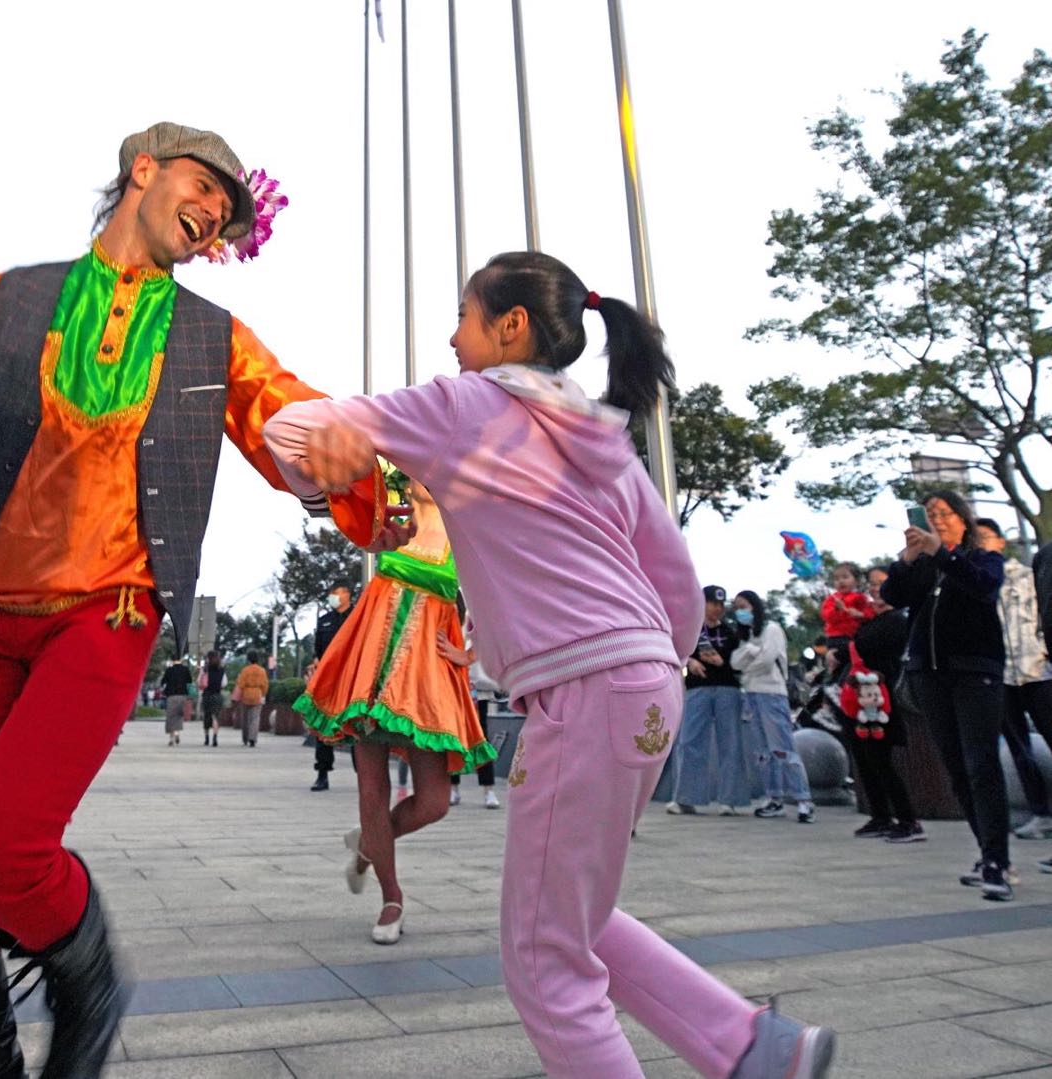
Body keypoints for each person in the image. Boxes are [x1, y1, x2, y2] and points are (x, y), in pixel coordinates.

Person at [0, 121, 407, 1078]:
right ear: (144, 168)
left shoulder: (216, 338)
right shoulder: (7, 298)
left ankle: (90, 982)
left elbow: (288, 415)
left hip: (107, 611)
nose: (214, 216)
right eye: (206, 188)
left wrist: (337, 460)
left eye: (228, 214)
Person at [264, 251, 835, 1078]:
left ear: (510, 325)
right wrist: (648, 690)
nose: (451, 336)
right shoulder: (597, 434)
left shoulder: (464, 402)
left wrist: (326, 485)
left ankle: (752, 1047)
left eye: (463, 315)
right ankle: (752, 1045)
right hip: (642, 684)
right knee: (572, 912)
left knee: (541, 959)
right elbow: (674, 582)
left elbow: (289, 428)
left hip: (585, 691)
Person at [294, 476, 496, 943]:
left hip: (427, 676)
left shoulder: (467, 531)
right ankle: (391, 898)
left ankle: (368, 846)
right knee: (372, 788)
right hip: (372, 661)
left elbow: (503, 593)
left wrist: (473, 651)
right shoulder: (389, 520)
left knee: (434, 802)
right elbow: (336, 489)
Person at [881, 490, 1011, 900]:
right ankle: (986, 851)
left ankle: (996, 860)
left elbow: (984, 586)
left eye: (943, 513)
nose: (936, 520)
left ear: (962, 519)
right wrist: (906, 559)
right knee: (956, 769)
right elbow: (891, 597)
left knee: (981, 765)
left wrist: (944, 555)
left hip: (975, 671)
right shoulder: (922, 565)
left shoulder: (982, 558)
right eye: (929, 514)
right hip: (928, 674)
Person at [974, 519, 1052, 839]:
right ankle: (1041, 812)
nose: (978, 544)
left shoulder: (1027, 574)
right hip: (1000, 675)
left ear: (1000, 543)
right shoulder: (974, 584)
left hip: (1038, 670)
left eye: (984, 538)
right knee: (1020, 748)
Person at [847, 567, 923, 843]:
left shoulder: (897, 620)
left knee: (881, 760)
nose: (875, 590)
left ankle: (907, 819)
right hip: (862, 700)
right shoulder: (869, 621)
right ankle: (881, 815)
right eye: (872, 585)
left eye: (882, 584)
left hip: (883, 700)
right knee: (867, 759)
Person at [730, 591, 815, 823]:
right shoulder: (745, 635)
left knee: (782, 748)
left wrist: (749, 663)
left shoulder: (771, 629)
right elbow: (735, 661)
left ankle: (803, 799)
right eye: (737, 607)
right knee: (762, 753)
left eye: (744, 606)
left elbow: (767, 659)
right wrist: (750, 654)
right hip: (751, 695)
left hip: (772, 694)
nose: (740, 611)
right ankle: (773, 798)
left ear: (755, 606)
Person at [668, 585, 748, 815]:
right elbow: (678, 653)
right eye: (713, 603)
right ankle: (685, 798)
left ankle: (730, 799)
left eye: (721, 605)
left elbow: (738, 662)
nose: (717, 609)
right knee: (690, 741)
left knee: (730, 743)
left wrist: (721, 662)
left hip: (727, 689)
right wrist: (691, 662)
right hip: (697, 688)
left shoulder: (732, 633)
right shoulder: (689, 630)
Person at [438, 630, 501, 810]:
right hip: (454, 685)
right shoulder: (452, 614)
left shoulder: (474, 613)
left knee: (481, 735)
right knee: (452, 735)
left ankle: (488, 789)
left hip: (476, 688)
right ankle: (453, 787)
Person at [310, 583, 355, 790]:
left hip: (353, 680)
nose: (333, 597)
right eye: (331, 594)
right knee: (324, 726)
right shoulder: (324, 621)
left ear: (348, 595)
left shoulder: (359, 617)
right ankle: (322, 773)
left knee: (356, 726)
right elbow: (318, 651)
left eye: (337, 593)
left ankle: (363, 773)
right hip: (329, 680)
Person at [820, 562, 873, 689]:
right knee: (846, 661)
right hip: (837, 638)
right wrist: (837, 610)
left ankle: (838, 685)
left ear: (856, 581)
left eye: (845, 577)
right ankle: (836, 686)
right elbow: (827, 616)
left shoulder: (860, 598)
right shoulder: (832, 600)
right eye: (837, 579)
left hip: (853, 637)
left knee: (849, 663)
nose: (841, 582)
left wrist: (860, 614)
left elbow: (869, 613)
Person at [235, 651, 270, 746]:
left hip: (246, 695)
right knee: (255, 718)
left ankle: (245, 738)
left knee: (245, 718)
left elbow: (241, 684)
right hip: (257, 694)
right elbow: (265, 685)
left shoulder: (245, 670)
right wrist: (263, 694)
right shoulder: (261, 670)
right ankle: (252, 739)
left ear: (248, 659)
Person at [161, 657, 192, 747]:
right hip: (182, 695)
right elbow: (189, 680)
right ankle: (177, 733)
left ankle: (171, 738)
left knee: (171, 717)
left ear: (172, 660)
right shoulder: (185, 669)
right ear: (181, 660)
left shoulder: (169, 670)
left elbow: (163, 681)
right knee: (179, 715)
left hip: (171, 695)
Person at [201, 650, 225, 747]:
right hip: (217, 695)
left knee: (207, 716)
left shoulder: (205, 669)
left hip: (207, 695)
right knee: (215, 717)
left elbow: (200, 681)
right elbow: (224, 683)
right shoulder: (222, 669)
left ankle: (207, 738)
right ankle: (215, 738)